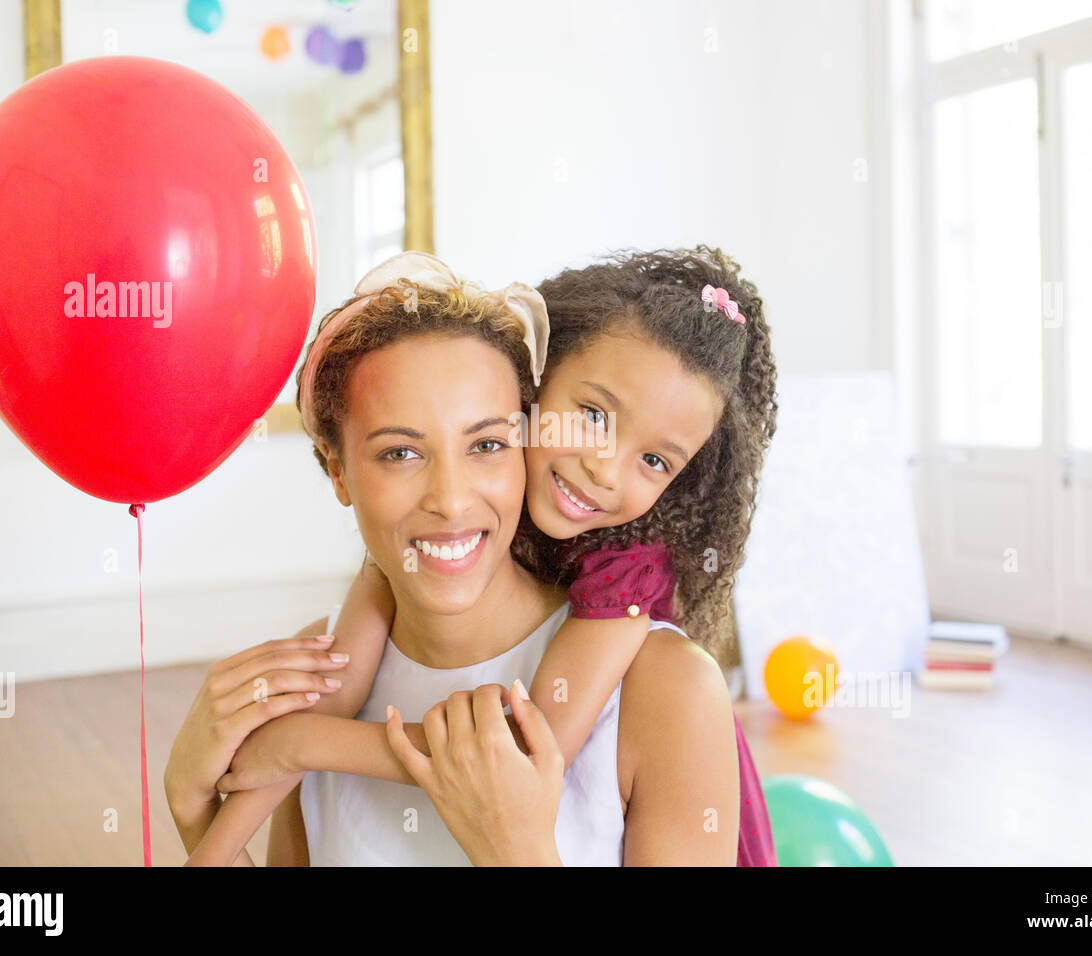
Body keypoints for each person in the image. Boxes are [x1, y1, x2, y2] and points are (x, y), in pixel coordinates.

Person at [169, 248, 775, 864]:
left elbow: (517, 753)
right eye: (400, 453)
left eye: (485, 443)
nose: (451, 500)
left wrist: (515, 850)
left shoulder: (652, 663)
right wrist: (195, 811)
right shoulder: (340, 641)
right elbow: (329, 697)